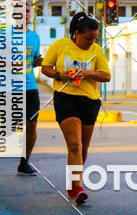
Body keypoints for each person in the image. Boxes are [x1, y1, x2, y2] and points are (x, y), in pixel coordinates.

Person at [41, 12, 110, 205]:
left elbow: (106, 76)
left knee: (83, 148)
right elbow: (45, 67)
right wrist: (60, 75)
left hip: (90, 101)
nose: (91, 42)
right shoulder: (60, 45)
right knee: (75, 145)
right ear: (77, 33)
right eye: (88, 38)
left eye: (95, 38)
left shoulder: (96, 50)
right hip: (65, 98)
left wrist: (87, 72)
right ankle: (77, 187)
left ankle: (73, 182)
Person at [17, 5, 42, 176]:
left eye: (27, 11)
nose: (24, 14)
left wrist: (38, 62)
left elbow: (34, 60)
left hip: (30, 86)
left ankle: (24, 162)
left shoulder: (34, 37)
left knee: (32, 125)